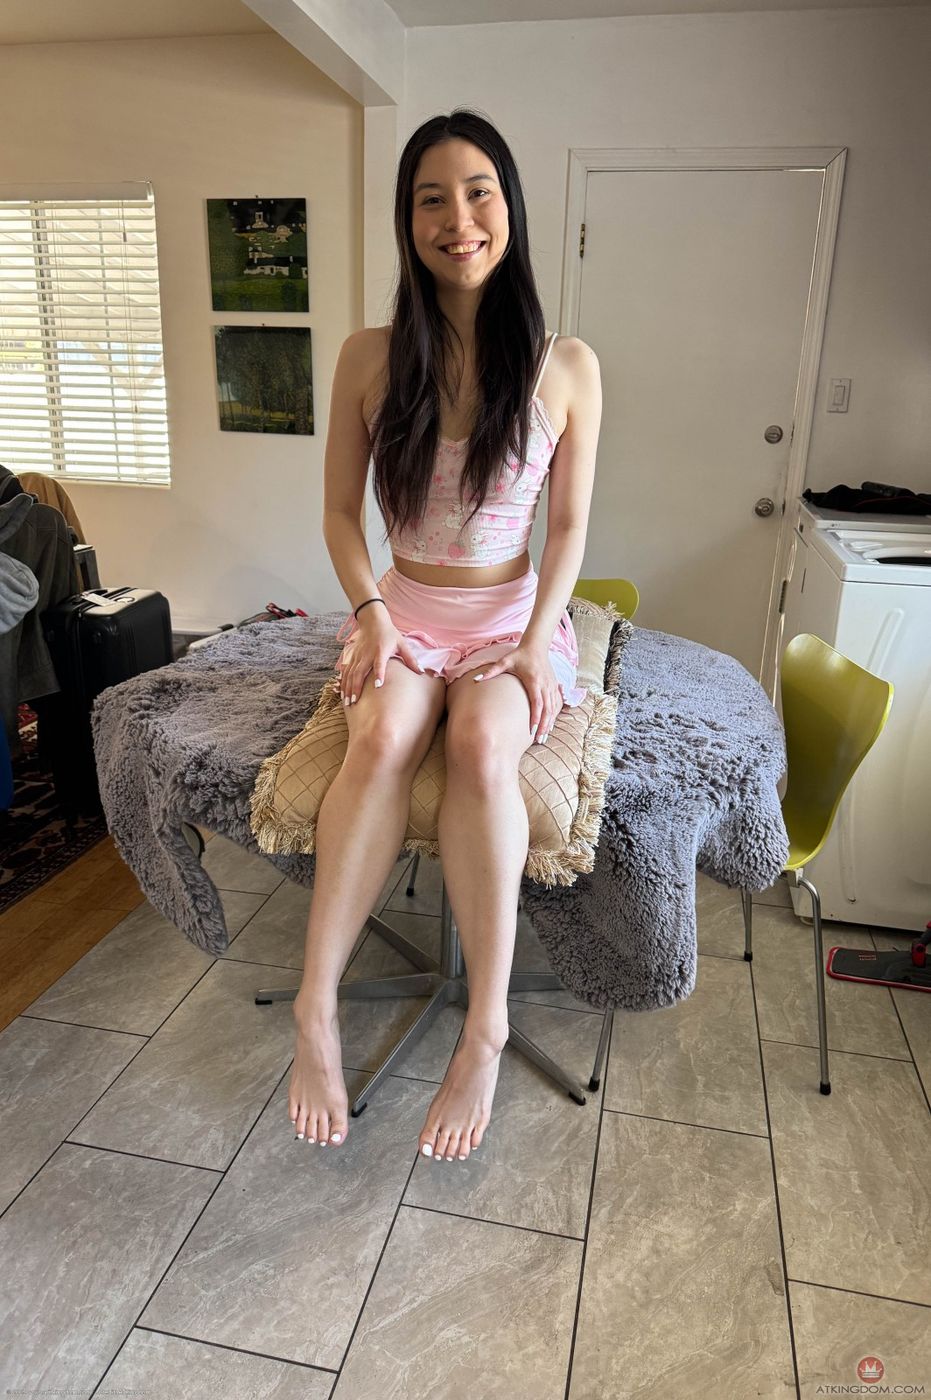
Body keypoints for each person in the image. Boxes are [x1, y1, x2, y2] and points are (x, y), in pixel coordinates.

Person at [288, 108, 602, 1163]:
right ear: (406, 220)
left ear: (509, 208)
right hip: (404, 609)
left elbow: (568, 527)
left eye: (478, 193)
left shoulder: (566, 364)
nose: (457, 219)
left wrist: (537, 638)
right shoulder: (367, 355)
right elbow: (340, 515)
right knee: (380, 737)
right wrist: (370, 611)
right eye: (431, 199)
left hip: (510, 616)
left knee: (479, 744)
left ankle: (486, 1026)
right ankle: (316, 1008)